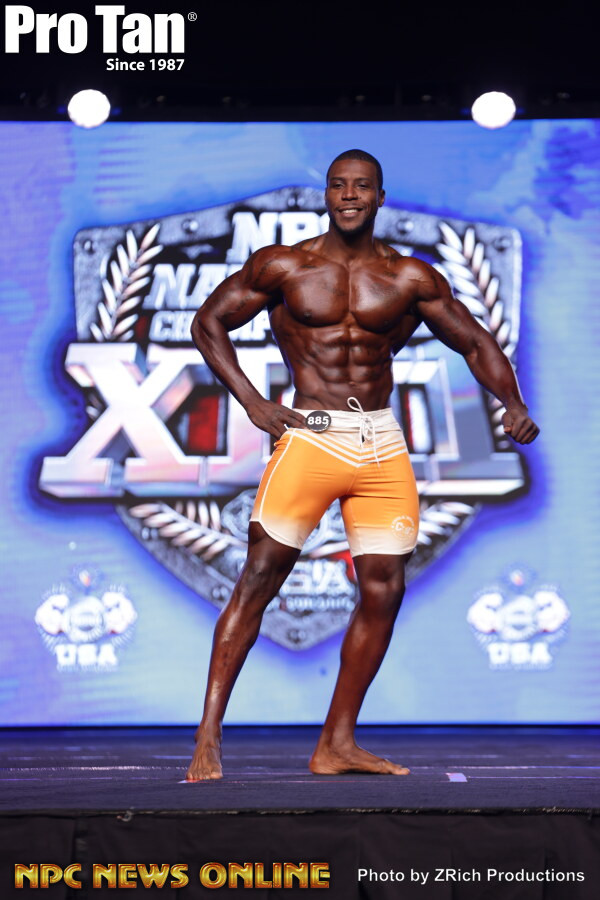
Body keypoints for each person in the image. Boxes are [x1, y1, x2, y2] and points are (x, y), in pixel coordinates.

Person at [187, 149, 539, 781]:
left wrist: (511, 402)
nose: (349, 195)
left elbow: (474, 340)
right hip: (312, 437)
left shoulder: (410, 277)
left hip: (379, 442)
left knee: (385, 588)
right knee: (260, 576)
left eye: (361, 186)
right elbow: (208, 321)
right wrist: (253, 402)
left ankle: (337, 743)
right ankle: (208, 736)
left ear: (380, 197)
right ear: (326, 195)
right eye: (338, 185)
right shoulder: (284, 265)